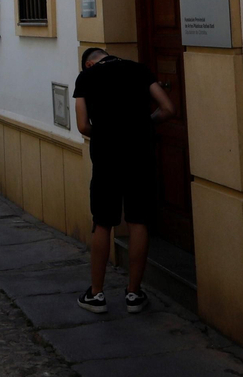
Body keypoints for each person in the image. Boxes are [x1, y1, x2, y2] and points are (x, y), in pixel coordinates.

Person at [73, 46, 175, 315]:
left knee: (103, 222)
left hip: (106, 156)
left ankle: (96, 295)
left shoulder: (87, 78)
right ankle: (133, 293)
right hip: (140, 153)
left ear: (89, 65)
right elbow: (167, 108)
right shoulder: (139, 69)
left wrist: (107, 133)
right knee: (138, 220)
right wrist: (144, 125)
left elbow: (83, 126)